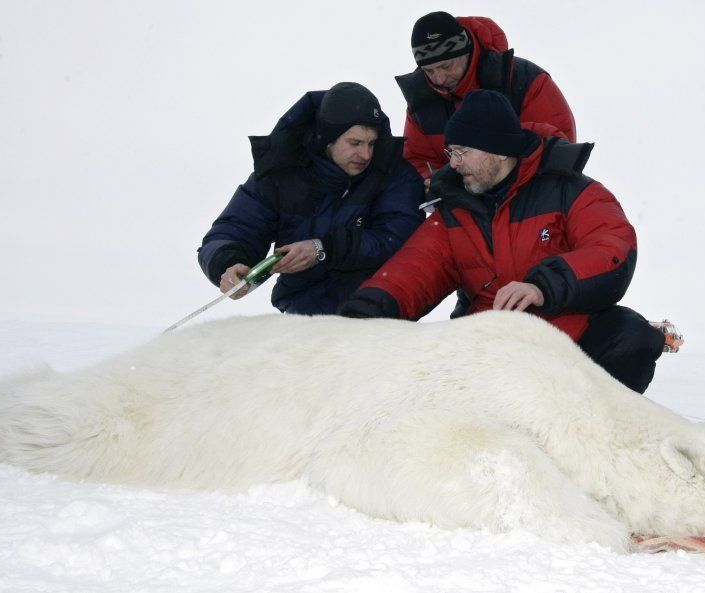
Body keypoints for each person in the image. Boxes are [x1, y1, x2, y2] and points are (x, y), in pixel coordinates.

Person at [339, 90, 664, 393]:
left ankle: (590, 440)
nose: (453, 163)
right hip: (490, 351)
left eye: (462, 152)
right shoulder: (455, 210)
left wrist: (542, 286)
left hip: (567, 345)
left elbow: (612, 248)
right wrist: (360, 315)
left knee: (632, 334)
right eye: (451, 152)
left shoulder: (571, 191)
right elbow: (411, 271)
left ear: (498, 150)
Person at [197, 83, 425, 315]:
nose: (366, 154)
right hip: (303, 315)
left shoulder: (396, 175)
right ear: (328, 140)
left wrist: (322, 249)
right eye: (355, 143)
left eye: (372, 143)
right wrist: (229, 264)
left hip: (378, 309)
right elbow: (234, 229)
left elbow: (398, 237)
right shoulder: (281, 173)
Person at [395, 11, 576, 179]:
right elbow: (416, 161)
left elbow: (557, 150)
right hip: (460, 207)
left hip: (528, 201)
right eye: (429, 71)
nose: (439, 79)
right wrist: (436, 183)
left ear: (466, 52)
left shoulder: (524, 80)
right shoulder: (421, 101)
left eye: (446, 66)